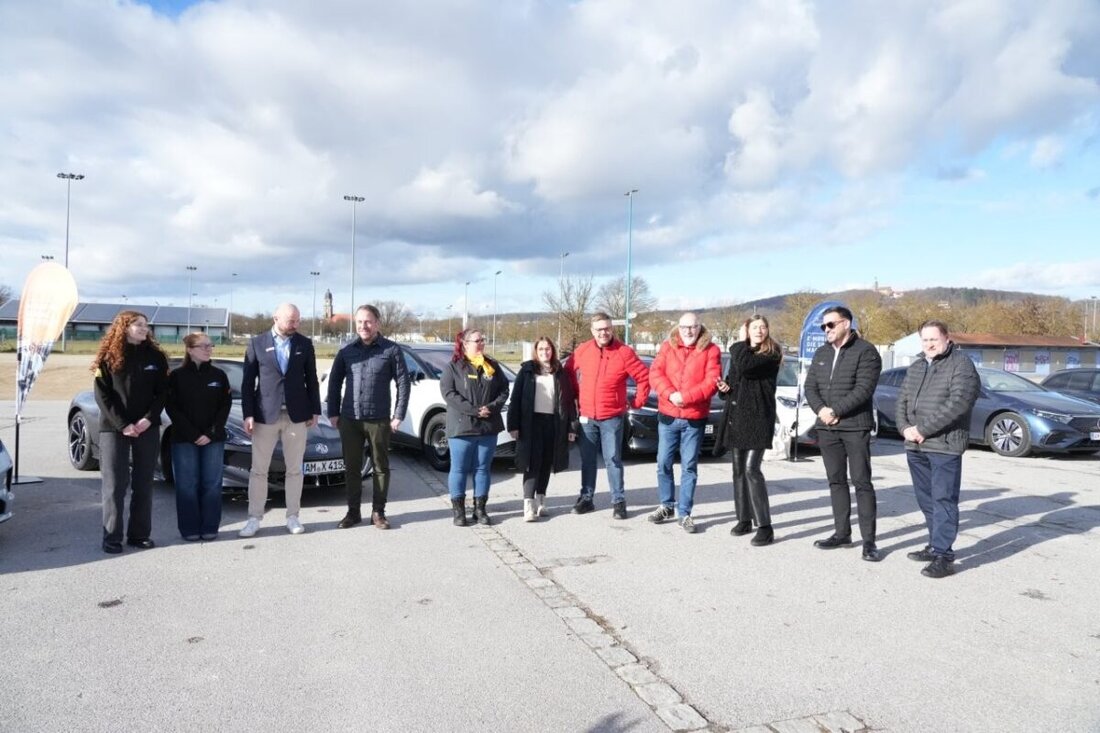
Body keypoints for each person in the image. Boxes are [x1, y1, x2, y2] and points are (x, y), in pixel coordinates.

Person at [896, 320, 980, 578]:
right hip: (915, 445)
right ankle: (935, 544)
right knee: (926, 499)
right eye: (925, 340)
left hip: (944, 446)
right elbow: (902, 400)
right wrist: (905, 428)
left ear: (946, 338)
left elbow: (959, 403)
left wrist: (923, 429)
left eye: (934, 339)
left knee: (943, 500)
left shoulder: (961, 364)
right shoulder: (917, 365)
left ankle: (944, 555)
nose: (929, 344)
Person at [804, 305, 884, 561]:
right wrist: (821, 411)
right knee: (836, 481)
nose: (826, 330)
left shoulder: (866, 352)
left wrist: (836, 410)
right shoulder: (821, 353)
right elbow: (810, 386)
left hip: (854, 426)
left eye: (831, 324)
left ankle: (869, 542)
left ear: (846, 324)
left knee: (861, 482)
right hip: (827, 427)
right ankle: (842, 533)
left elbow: (864, 389)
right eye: (823, 326)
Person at [239, 303, 321, 537]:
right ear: (276, 318)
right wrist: (248, 414)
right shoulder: (257, 343)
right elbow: (247, 383)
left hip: (297, 417)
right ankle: (254, 518)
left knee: (295, 470)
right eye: (290, 320)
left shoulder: (304, 344)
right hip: (265, 416)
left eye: (297, 320)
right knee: (258, 470)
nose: (295, 324)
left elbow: (311, 380)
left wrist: (314, 409)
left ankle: (293, 516)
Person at [326, 304, 410, 530]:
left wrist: (398, 415)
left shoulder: (391, 350)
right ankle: (353, 513)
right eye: (360, 322)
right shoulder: (346, 351)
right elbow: (334, 382)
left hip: (379, 419)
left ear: (377, 323)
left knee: (380, 467)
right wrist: (332, 412)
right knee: (351, 468)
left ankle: (378, 513)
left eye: (368, 321)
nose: (364, 326)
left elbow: (403, 383)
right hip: (349, 419)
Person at [92, 310, 169, 554]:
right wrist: (123, 424)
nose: (144, 329)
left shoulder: (156, 357)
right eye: (138, 325)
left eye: (146, 325)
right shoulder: (107, 357)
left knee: (143, 484)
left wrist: (148, 419)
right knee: (115, 485)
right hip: (114, 430)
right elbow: (102, 395)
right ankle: (111, 538)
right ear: (124, 327)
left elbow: (163, 393)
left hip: (147, 429)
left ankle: (139, 535)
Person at [563, 312, 650, 519]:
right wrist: (576, 394)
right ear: (592, 331)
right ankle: (586, 498)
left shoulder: (624, 352)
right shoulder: (583, 350)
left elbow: (643, 377)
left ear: (612, 328)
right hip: (587, 417)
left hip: (612, 416)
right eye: (599, 329)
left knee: (612, 459)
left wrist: (637, 402)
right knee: (587, 460)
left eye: (607, 328)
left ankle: (618, 501)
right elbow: (567, 372)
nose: (604, 332)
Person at [646, 312, 721, 533]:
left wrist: (685, 397)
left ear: (700, 328)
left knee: (689, 466)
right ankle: (666, 505)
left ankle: (685, 512)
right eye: (684, 327)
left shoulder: (711, 350)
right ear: (678, 328)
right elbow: (656, 374)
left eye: (693, 326)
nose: (688, 331)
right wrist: (670, 394)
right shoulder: (667, 347)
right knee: (663, 463)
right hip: (668, 416)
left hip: (694, 418)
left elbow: (711, 383)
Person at [716, 315, 783, 545]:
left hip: (758, 418)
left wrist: (738, 342)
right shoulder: (740, 354)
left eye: (763, 327)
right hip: (737, 417)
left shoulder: (770, 354)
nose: (760, 330)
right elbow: (732, 381)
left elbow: (747, 366)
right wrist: (725, 389)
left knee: (751, 469)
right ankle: (744, 519)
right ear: (748, 329)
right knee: (738, 470)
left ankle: (765, 526)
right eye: (755, 327)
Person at [166, 333, 231, 541]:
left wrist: (211, 432)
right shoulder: (176, 376)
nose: (208, 349)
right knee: (187, 484)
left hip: (213, 439)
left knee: (212, 483)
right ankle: (190, 529)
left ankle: (210, 526)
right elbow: (172, 408)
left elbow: (225, 406)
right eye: (203, 346)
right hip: (184, 439)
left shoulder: (219, 375)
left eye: (210, 346)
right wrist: (193, 434)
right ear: (190, 349)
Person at [441, 329, 509, 526]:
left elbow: (504, 390)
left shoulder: (492, 366)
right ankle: (459, 511)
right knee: (459, 469)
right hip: (462, 427)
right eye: (477, 340)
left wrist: (492, 407)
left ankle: (480, 509)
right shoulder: (454, 367)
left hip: (487, 427)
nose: (481, 343)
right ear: (465, 344)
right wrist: (474, 410)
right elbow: (448, 394)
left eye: (483, 340)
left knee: (483, 469)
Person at [507, 337, 578, 522]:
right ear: (536, 352)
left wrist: (572, 427)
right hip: (531, 422)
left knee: (547, 462)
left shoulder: (560, 373)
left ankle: (541, 501)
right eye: (541, 349)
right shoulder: (527, 371)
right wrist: (513, 425)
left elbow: (569, 402)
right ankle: (528, 505)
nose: (545, 352)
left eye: (548, 349)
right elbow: (515, 399)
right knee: (532, 462)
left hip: (554, 423)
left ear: (552, 351)